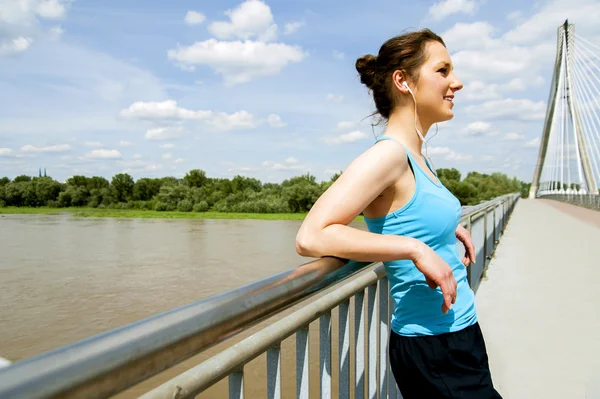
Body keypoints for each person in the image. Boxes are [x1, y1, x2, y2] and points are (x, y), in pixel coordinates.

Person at [295, 29, 502, 398]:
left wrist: (445, 228)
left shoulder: (416, 154)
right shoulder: (388, 155)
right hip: (434, 348)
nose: (457, 82)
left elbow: (408, 210)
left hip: (458, 335)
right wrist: (415, 249)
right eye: (443, 71)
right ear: (403, 81)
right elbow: (312, 235)